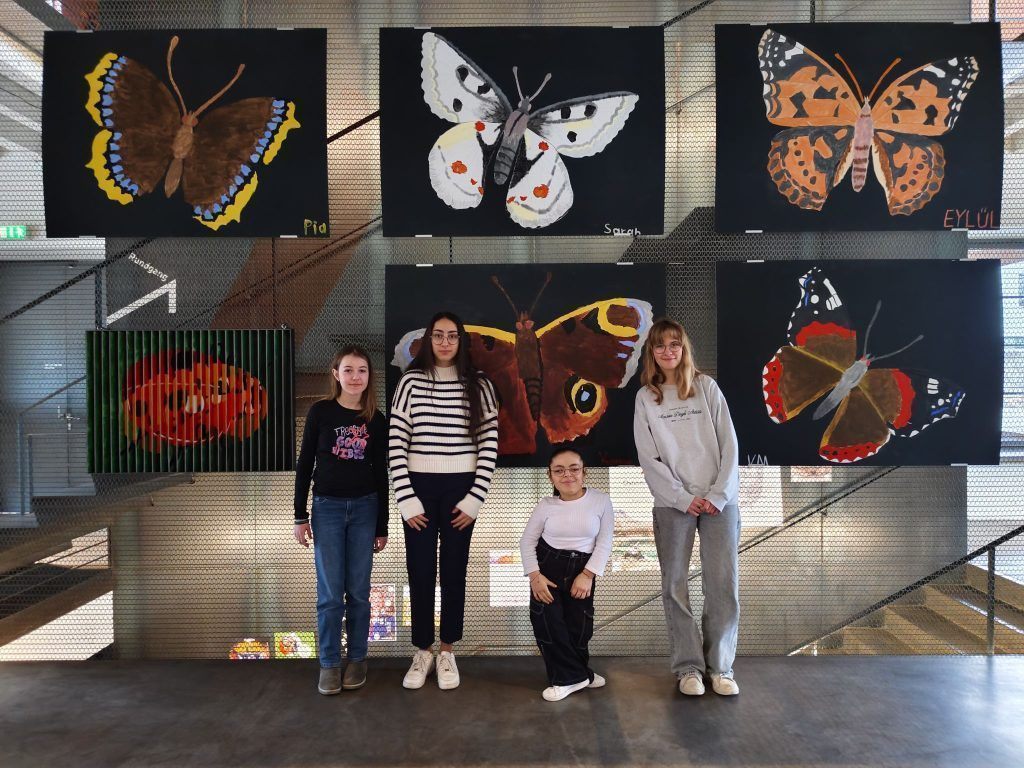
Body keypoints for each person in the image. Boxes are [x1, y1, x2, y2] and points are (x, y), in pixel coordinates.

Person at [389, 311, 499, 690]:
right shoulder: (410, 382)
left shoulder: (480, 384)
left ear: (461, 340)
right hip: (417, 489)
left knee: (454, 571)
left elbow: (489, 445)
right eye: (438, 335)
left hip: (461, 491)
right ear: (429, 340)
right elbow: (396, 443)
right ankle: (422, 651)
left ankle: (448, 651)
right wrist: (406, 499)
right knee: (420, 572)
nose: (445, 342)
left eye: (452, 335)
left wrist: (474, 499)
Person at [633, 318, 741, 697]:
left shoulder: (706, 387)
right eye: (660, 345)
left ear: (684, 349)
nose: (668, 351)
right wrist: (681, 497)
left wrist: (718, 495)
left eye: (674, 344)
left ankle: (720, 668)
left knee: (722, 584)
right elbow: (648, 457)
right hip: (673, 504)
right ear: (652, 352)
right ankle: (689, 668)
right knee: (674, 585)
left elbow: (730, 445)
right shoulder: (646, 397)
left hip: (719, 503)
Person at [294, 345, 389, 695]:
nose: (355, 377)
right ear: (336, 374)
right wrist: (299, 515)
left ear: (369, 376)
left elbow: (381, 473)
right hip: (327, 509)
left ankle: (358, 659)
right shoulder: (320, 412)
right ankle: (330, 663)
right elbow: (305, 464)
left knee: (359, 592)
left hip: (365, 508)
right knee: (330, 594)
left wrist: (382, 525)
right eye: (348, 370)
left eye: (361, 370)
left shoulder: (376, 419)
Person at [520, 447, 613, 702]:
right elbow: (527, 541)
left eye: (574, 469)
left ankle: (580, 674)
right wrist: (535, 577)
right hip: (547, 570)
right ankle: (568, 679)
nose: (567, 475)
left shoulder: (601, 501)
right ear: (550, 476)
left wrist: (588, 575)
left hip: (582, 571)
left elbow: (605, 542)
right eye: (559, 470)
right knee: (549, 626)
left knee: (580, 627)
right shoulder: (545, 505)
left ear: (584, 472)